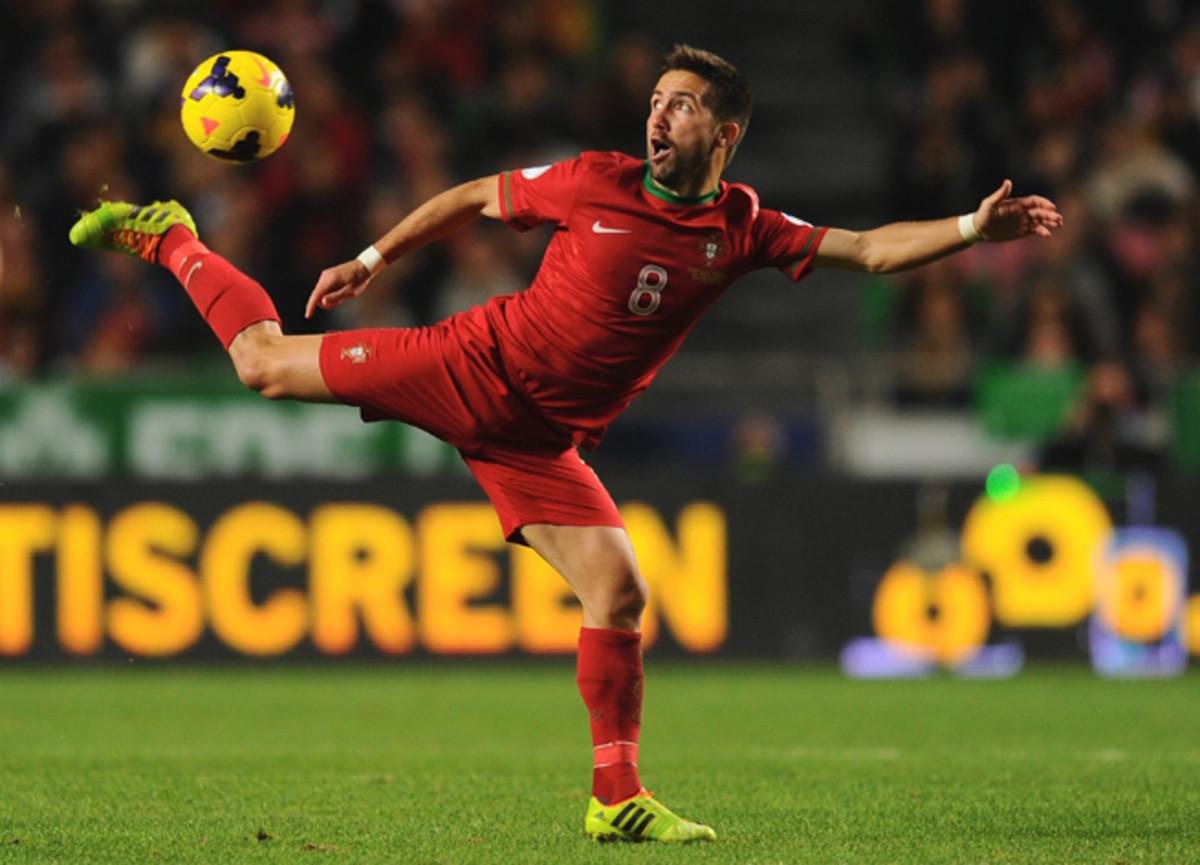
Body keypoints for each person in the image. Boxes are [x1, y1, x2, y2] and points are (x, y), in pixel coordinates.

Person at [69, 44, 1062, 843]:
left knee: (619, 591)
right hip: (473, 367)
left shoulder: (743, 226)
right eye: (656, 101)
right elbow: (473, 196)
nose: (658, 117)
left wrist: (972, 226)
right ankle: (173, 237)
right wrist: (373, 257)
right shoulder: (593, 180)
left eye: (681, 106)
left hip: (543, 440)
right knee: (262, 364)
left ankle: (616, 799)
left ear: (726, 133)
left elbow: (870, 249)